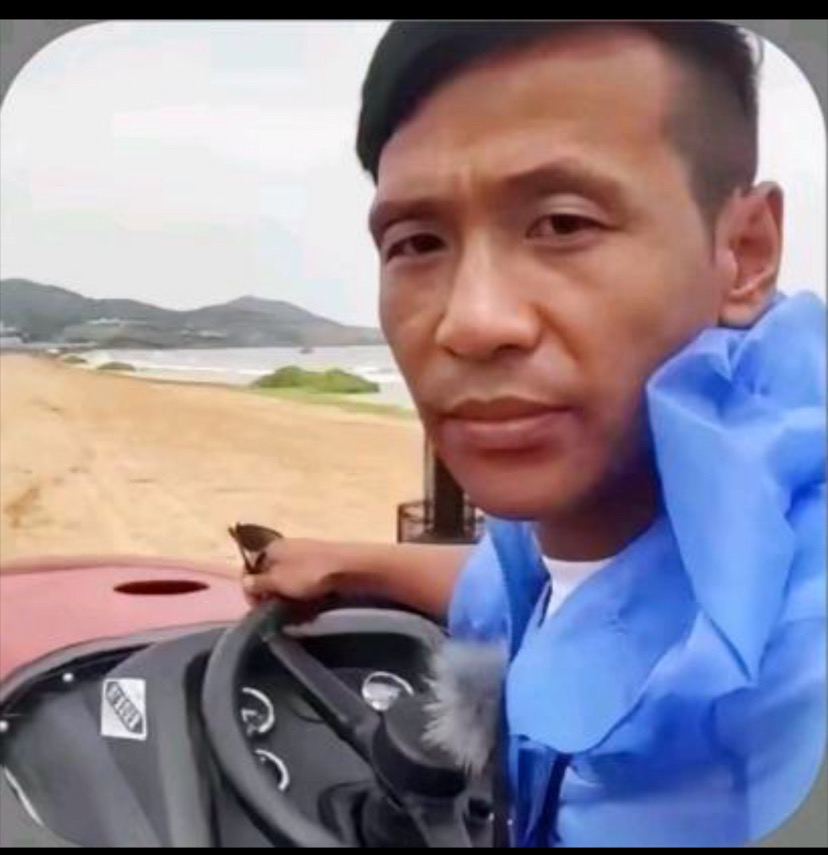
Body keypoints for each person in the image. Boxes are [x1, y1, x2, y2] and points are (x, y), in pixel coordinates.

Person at [240, 22, 826, 846]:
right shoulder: (587, 504)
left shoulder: (791, 667)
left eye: (563, 224)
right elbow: (531, 585)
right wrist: (351, 561)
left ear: (746, 251)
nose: (472, 322)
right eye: (417, 242)